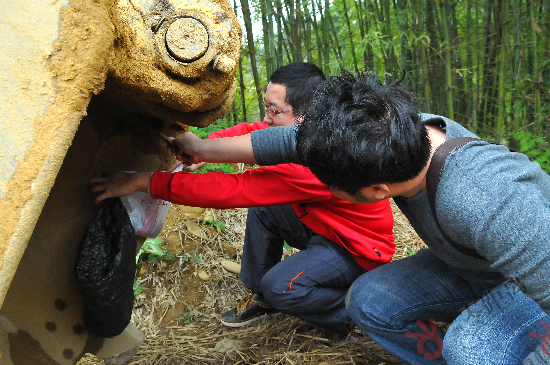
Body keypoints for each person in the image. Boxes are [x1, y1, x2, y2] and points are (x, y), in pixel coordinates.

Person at [169, 71, 550, 364]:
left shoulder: (491, 202)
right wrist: (202, 149)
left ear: (375, 192)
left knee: (469, 347)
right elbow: (287, 142)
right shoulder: (393, 130)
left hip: (527, 284)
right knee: (368, 300)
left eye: (330, 186)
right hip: (474, 263)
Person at [91, 64, 395, 339]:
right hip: (325, 225)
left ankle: (354, 317)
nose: (266, 117)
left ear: (305, 116)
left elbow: (233, 189)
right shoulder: (310, 131)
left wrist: (144, 182)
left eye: (274, 111)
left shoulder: (318, 163)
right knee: (267, 209)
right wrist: (205, 149)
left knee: (281, 287)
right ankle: (261, 295)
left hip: (356, 248)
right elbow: (255, 132)